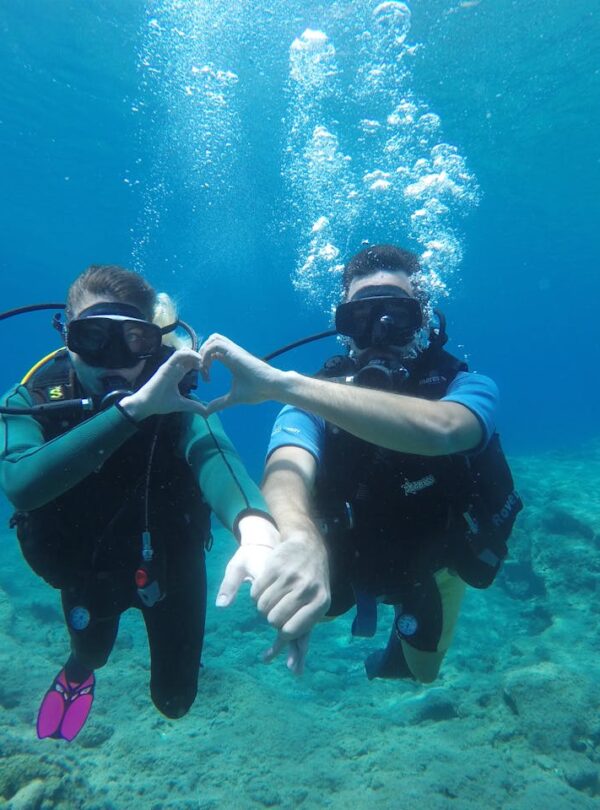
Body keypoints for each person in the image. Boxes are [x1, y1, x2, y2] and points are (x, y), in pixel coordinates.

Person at [197, 244, 522, 683]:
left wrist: (282, 384)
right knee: (312, 606)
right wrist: (299, 538)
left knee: (423, 673)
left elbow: (445, 429)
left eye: (397, 317)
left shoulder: (465, 385)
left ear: (422, 320)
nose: (379, 333)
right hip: (347, 558)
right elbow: (285, 472)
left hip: (434, 564)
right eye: (361, 318)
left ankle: (397, 647)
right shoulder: (310, 398)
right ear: (343, 328)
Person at [0, 264, 280, 741]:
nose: (113, 359)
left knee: (175, 701)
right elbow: (21, 483)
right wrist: (134, 409)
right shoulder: (35, 397)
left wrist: (255, 526)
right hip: (88, 566)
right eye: (93, 338)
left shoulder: (176, 398)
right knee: (91, 653)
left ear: (154, 340)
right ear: (67, 336)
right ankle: (77, 673)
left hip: (171, 564)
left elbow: (212, 449)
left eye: (132, 339)